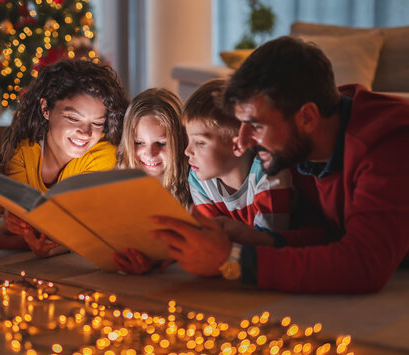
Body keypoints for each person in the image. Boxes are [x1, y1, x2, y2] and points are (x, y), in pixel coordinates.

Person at [151, 36, 409, 293]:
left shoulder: (389, 146)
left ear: (307, 117)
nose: (243, 141)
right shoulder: (305, 140)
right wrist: (261, 241)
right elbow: (330, 234)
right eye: (242, 125)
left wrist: (233, 260)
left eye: (256, 126)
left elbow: (362, 266)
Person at [0, 59, 128, 259]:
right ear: (46, 109)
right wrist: (7, 223)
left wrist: (0, 242)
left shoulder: (102, 156)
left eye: (96, 123)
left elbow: (73, 233)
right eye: (73, 118)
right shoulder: (24, 152)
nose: (85, 133)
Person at [183, 78, 293, 231]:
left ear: (237, 145)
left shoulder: (269, 172)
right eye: (188, 140)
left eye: (200, 143)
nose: (187, 151)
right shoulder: (198, 180)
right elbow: (210, 236)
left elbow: (268, 241)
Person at [112, 88, 191, 274]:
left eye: (161, 143)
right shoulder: (116, 179)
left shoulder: (192, 186)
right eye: (139, 142)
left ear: (179, 141)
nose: (149, 153)